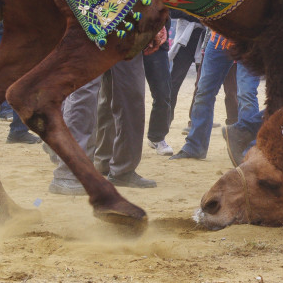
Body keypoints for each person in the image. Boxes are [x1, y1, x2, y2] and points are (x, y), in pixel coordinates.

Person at [49, 52, 158, 195]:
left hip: (130, 33)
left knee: (132, 94)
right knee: (83, 91)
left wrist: (155, 29)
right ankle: (69, 173)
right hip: (91, 32)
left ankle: (122, 170)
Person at [170, 32, 262, 163]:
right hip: (220, 36)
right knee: (204, 91)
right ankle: (195, 146)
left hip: (249, 37)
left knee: (246, 93)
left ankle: (248, 150)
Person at [144, 20, 174, 156]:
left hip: (158, 45)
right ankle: (121, 142)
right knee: (127, 96)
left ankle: (157, 137)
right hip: (129, 39)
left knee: (163, 94)